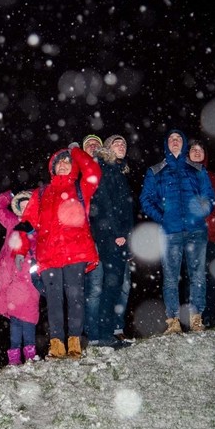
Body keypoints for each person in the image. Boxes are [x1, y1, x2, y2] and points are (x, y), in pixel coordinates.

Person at [13, 145, 101, 359]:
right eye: (58, 162)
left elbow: (94, 172)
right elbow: (27, 223)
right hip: (49, 255)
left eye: (67, 161)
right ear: (52, 167)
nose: (62, 165)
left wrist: (76, 152)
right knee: (53, 301)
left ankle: (74, 343)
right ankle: (57, 345)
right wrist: (20, 251)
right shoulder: (41, 193)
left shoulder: (81, 188)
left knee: (75, 297)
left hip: (76, 250)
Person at [140, 130, 215, 333]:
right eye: (171, 139)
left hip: (196, 232)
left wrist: (198, 213)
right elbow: (145, 200)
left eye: (179, 139)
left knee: (197, 275)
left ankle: (196, 318)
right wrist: (163, 217)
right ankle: (172, 321)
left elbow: (209, 196)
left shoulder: (197, 169)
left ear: (184, 144)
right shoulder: (156, 171)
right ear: (166, 144)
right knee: (171, 277)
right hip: (170, 233)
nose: (175, 142)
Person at [85, 135, 135, 348]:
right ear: (107, 149)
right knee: (110, 286)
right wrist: (117, 233)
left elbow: (127, 207)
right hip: (111, 237)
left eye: (124, 143)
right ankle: (104, 335)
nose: (121, 146)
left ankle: (107, 334)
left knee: (114, 286)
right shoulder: (104, 169)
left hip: (121, 237)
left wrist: (129, 234)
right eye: (116, 143)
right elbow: (104, 204)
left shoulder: (118, 170)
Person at [0, 190, 41, 365]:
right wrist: (10, 194)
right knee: (15, 319)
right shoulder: (12, 223)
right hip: (12, 279)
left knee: (29, 317)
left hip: (30, 279)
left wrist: (31, 233)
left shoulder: (38, 226)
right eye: (21, 205)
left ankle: (30, 355)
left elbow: (41, 247)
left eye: (28, 205)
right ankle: (14, 358)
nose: (24, 209)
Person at [186, 141, 215, 326]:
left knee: (210, 275)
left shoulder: (213, 177)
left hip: (211, 233)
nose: (197, 152)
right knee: (193, 276)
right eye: (193, 150)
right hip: (191, 234)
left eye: (200, 149)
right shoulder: (183, 176)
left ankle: (209, 316)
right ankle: (193, 319)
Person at [80, 135, 105, 347]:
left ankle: (98, 333)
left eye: (96, 144)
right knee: (81, 289)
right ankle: (82, 335)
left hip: (105, 237)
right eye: (88, 144)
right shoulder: (78, 172)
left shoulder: (107, 169)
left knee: (100, 287)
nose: (93, 147)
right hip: (82, 238)